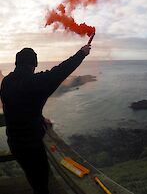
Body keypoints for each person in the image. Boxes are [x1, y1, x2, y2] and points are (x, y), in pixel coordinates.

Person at [0, 44, 91, 194]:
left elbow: (19, 105)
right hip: (32, 146)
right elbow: (60, 71)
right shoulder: (36, 82)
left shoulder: (7, 82)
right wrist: (81, 53)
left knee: (33, 178)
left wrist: (39, 117)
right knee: (42, 184)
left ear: (17, 63)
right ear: (34, 65)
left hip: (14, 144)